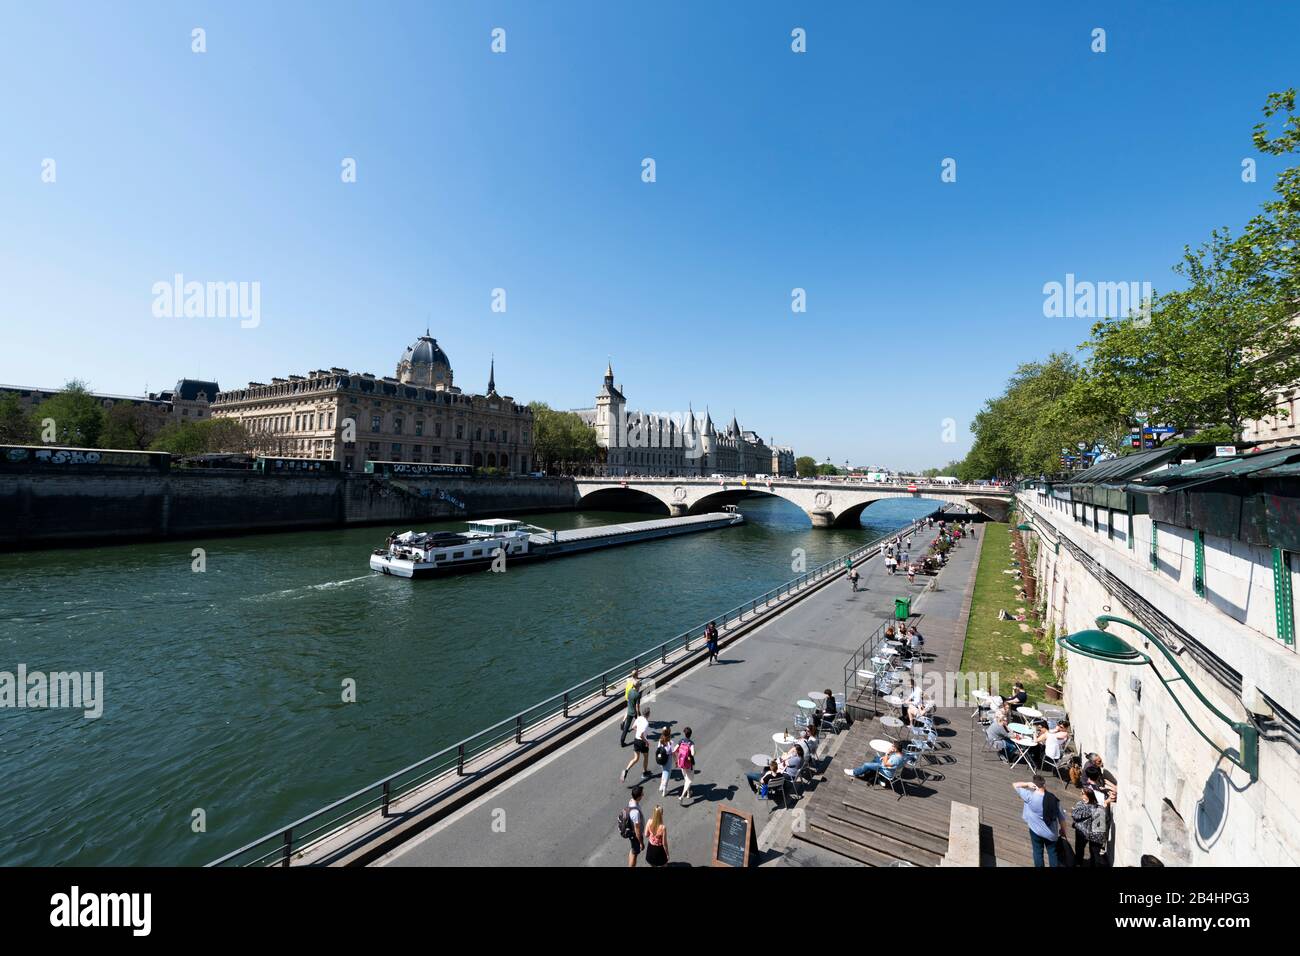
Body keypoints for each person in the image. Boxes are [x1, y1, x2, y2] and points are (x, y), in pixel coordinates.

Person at [1014, 776, 1067, 867]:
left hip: (1035, 831)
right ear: (1044, 784)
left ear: (1034, 785)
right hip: (1051, 833)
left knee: (1037, 852)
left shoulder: (1029, 796)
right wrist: (1063, 830)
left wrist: (1027, 784)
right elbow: (1062, 819)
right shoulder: (1054, 800)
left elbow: (1015, 785)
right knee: (1053, 853)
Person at [1071, 787, 1113, 867]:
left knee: (1084, 852)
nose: (1081, 794)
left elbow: (1074, 815)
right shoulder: (1098, 809)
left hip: (1083, 832)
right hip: (1092, 834)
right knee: (1089, 853)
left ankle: (1078, 864)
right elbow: (1104, 822)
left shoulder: (1080, 805)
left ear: (1088, 796)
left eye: (1083, 793)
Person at [622, 706, 653, 781]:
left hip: (636, 741)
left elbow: (633, 727)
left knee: (636, 758)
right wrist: (647, 742)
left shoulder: (639, 718)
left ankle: (626, 770)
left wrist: (638, 730)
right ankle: (644, 772)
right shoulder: (646, 723)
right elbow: (641, 735)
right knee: (646, 757)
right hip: (642, 742)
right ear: (648, 714)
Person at [621, 786, 645, 867]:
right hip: (635, 836)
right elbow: (637, 830)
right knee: (635, 853)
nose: (643, 795)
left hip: (632, 832)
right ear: (638, 797)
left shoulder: (631, 801)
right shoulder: (635, 812)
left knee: (633, 851)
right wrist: (641, 842)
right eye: (642, 794)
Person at [674, 726, 697, 803]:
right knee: (689, 780)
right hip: (689, 763)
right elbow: (693, 753)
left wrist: (680, 755)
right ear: (690, 734)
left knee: (686, 779)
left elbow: (674, 750)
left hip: (681, 762)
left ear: (685, 733)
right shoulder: (691, 743)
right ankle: (682, 796)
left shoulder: (681, 741)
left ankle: (688, 793)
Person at [654, 727, 677, 796]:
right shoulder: (671, 742)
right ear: (669, 734)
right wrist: (676, 761)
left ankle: (661, 786)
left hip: (661, 759)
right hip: (668, 759)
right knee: (667, 774)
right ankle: (664, 790)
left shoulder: (660, 740)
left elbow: (658, 749)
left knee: (664, 772)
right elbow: (673, 753)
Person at [620, 678, 642, 747]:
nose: (640, 687)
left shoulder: (630, 691)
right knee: (640, 724)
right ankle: (640, 737)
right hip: (634, 712)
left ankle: (622, 741)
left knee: (626, 727)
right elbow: (637, 706)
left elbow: (629, 701)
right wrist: (639, 714)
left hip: (629, 710)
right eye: (639, 686)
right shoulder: (638, 695)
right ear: (638, 686)